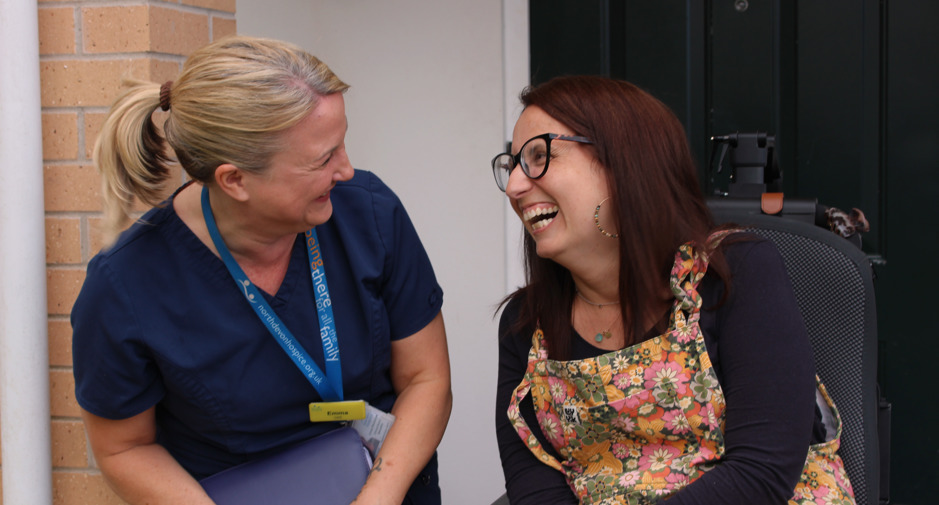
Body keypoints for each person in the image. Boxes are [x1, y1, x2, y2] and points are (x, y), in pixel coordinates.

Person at [71, 36, 451, 505]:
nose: (347, 170)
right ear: (235, 180)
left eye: (342, 144)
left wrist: (379, 496)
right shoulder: (124, 287)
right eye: (323, 158)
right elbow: (124, 447)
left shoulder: (369, 214)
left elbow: (426, 379)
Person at [492, 75, 855, 504]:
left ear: (622, 161)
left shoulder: (735, 275)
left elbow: (761, 473)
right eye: (512, 164)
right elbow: (535, 490)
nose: (515, 186)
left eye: (538, 156)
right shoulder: (525, 327)